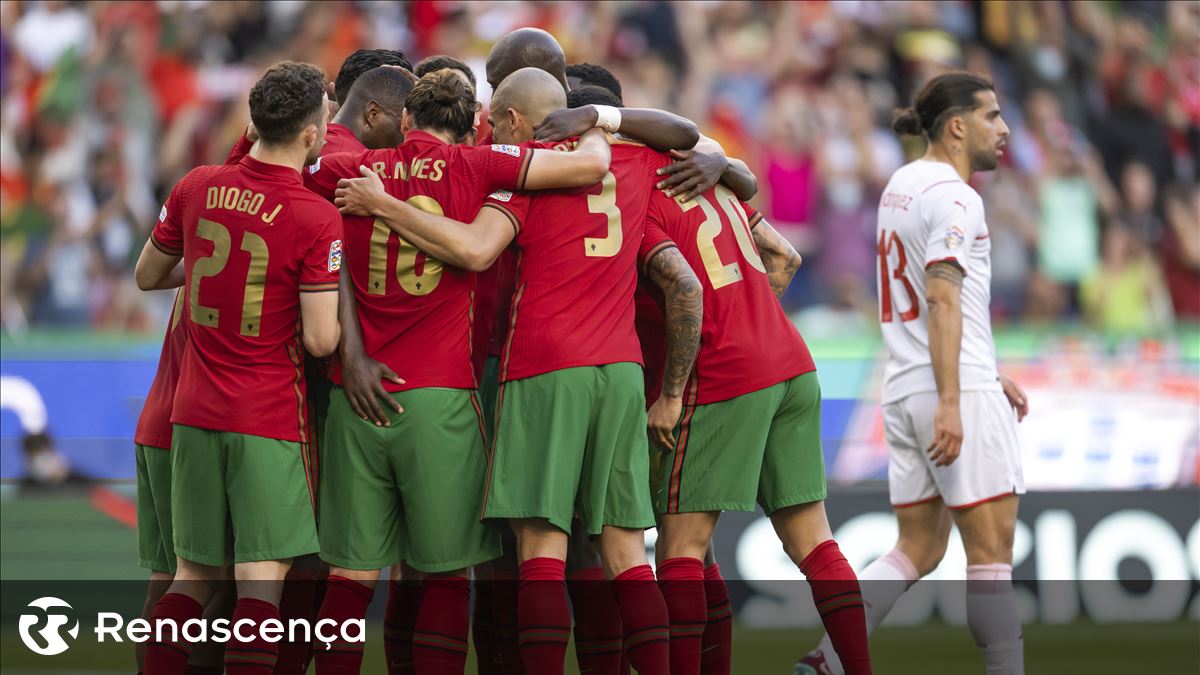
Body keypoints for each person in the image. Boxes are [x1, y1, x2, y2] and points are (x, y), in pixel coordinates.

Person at [334, 66, 700, 675]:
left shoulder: (516, 180)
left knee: (538, 551)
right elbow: (691, 139)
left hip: (542, 364)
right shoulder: (633, 160)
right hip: (622, 367)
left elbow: (476, 249)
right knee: (627, 553)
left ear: (512, 122)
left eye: (496, 119)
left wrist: (381, 203)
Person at [796, 71, 1029, 675]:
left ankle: (826, 659)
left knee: (918, 547)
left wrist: (980, 371)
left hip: (902, 386)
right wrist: (957, 396)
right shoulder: (957, 197)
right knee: (991, 556)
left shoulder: (900, 184)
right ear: (957, 126)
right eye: (993, 116)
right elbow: (942, 294)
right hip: (950, 392)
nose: (1004, 130)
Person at [133, 61, 342, 675]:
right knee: (260, 583)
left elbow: (147, 275)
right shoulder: (313, 215)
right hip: (268, 416)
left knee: (192, 576)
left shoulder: (197, 185)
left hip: (193, 412)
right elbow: (322, 339)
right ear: (310, 133)